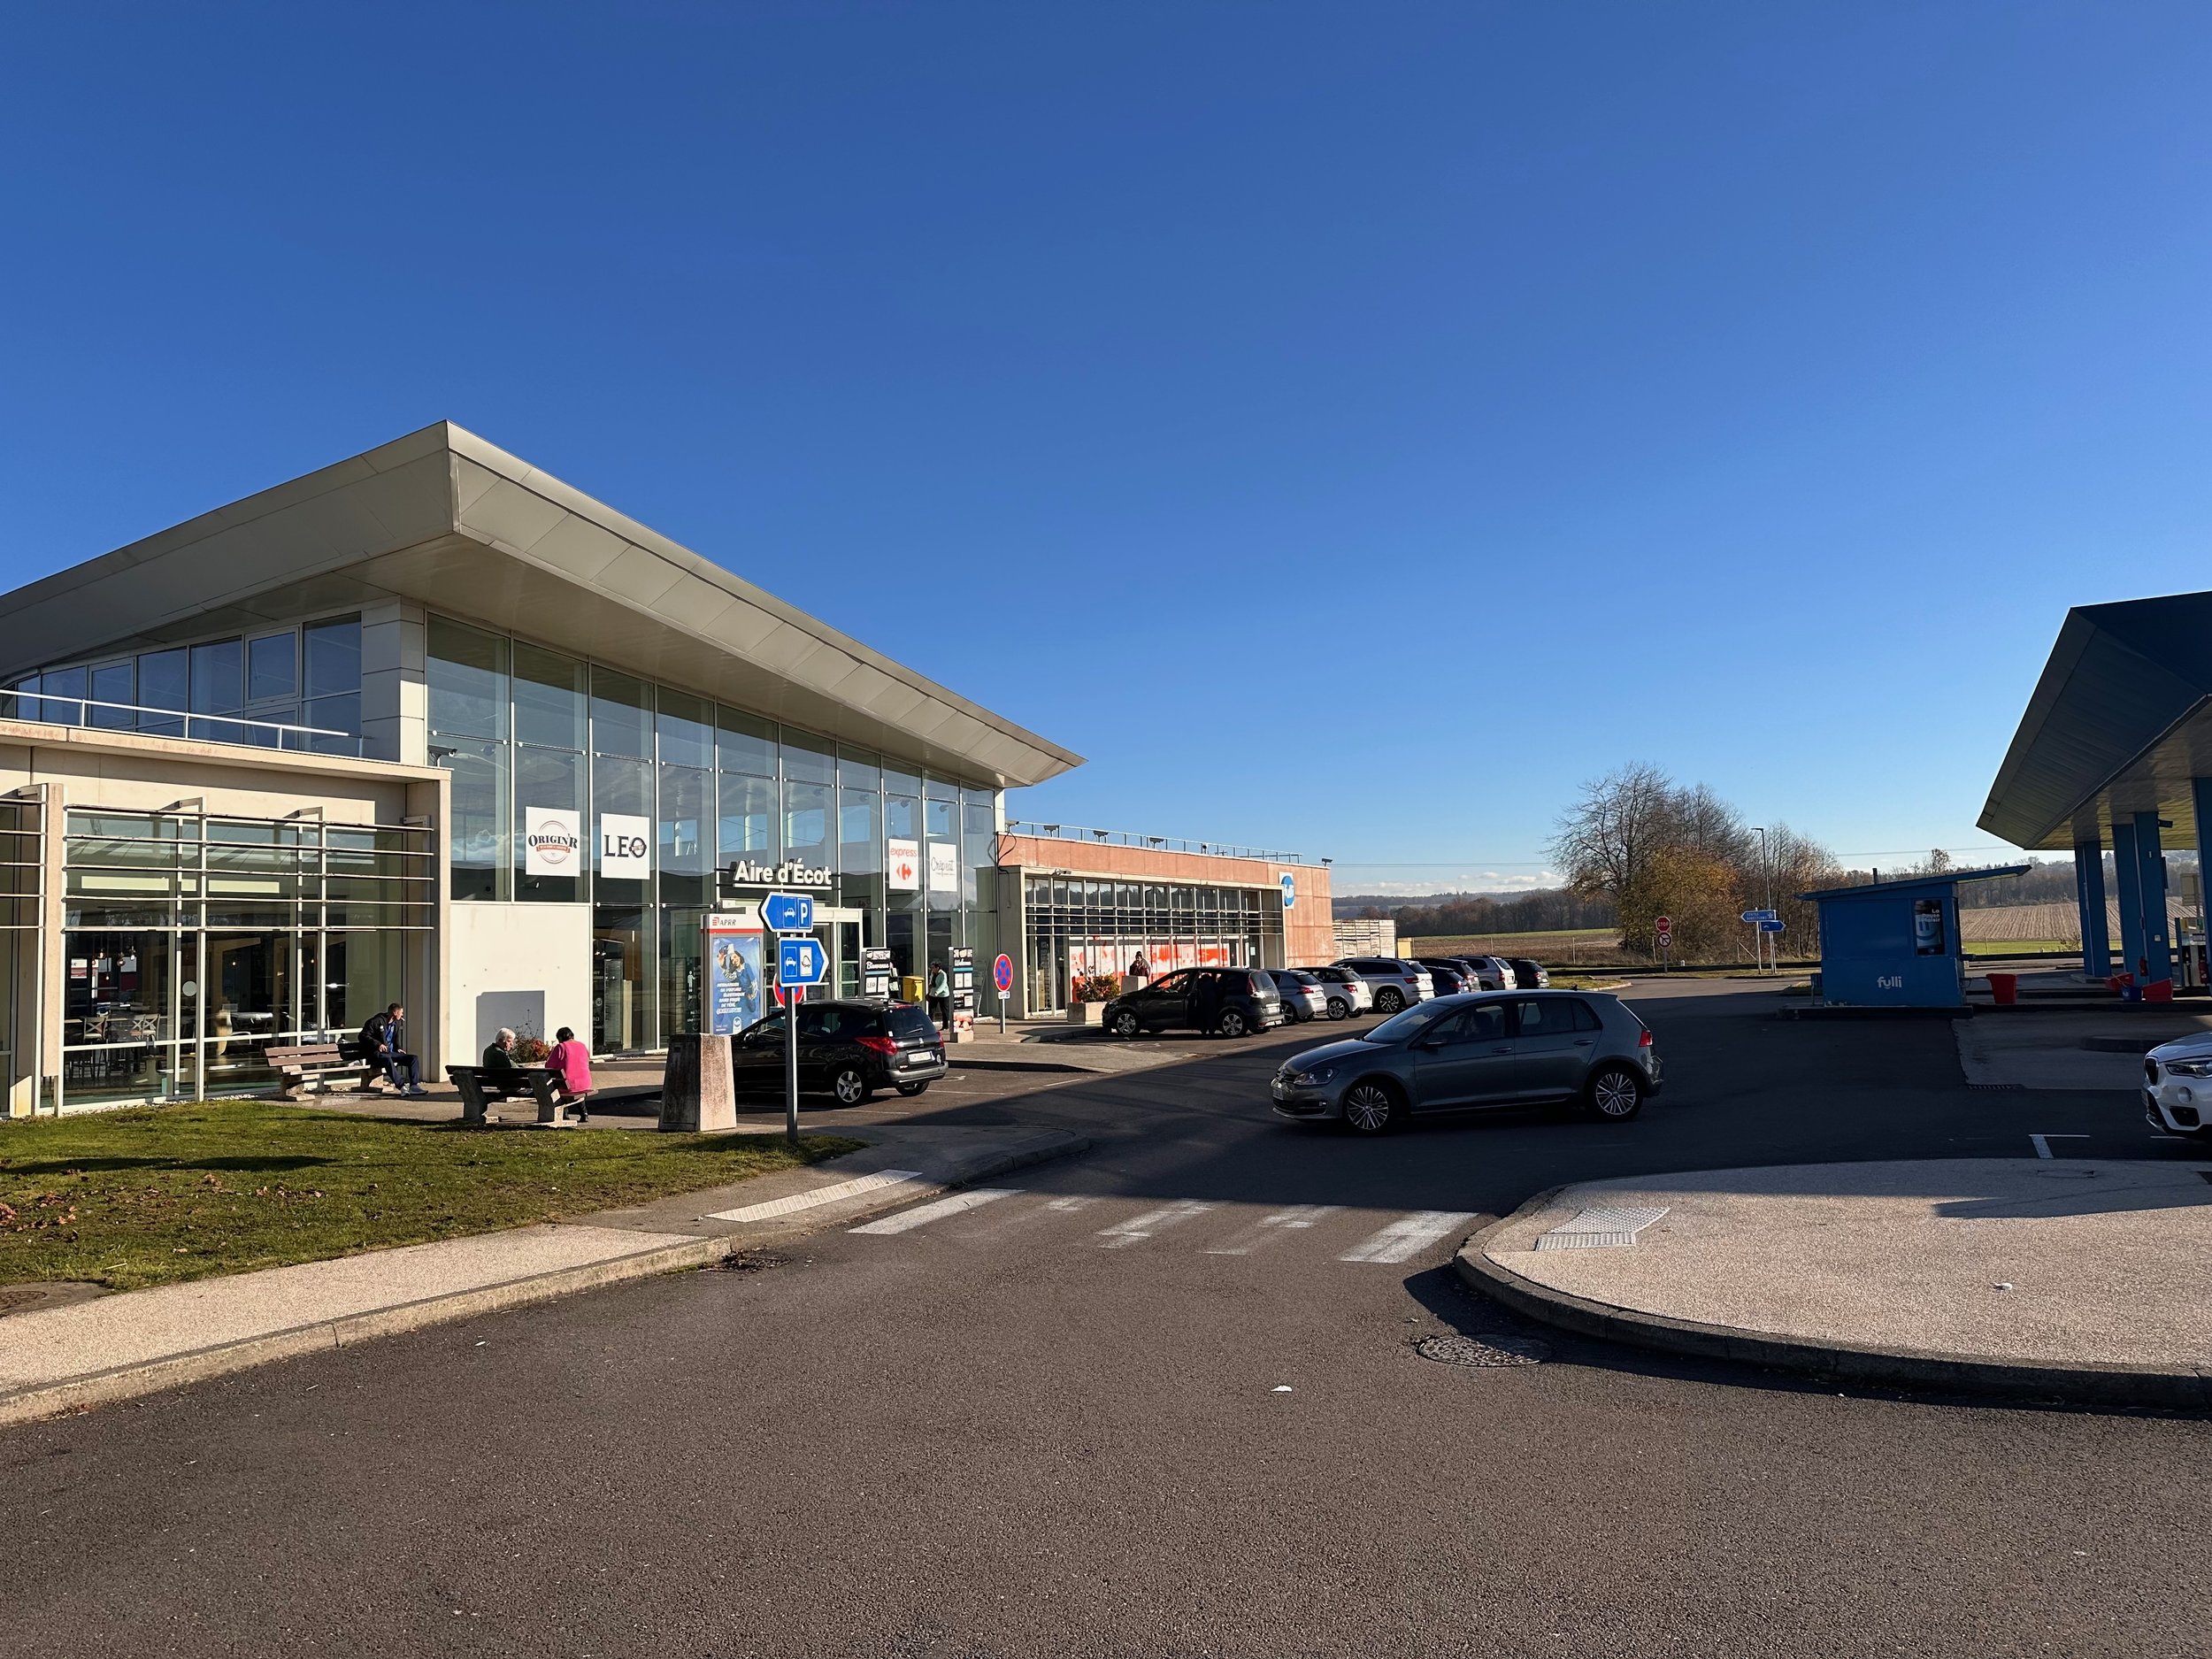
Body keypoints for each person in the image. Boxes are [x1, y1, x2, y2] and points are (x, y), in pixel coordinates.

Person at [360, 1002, 425, 1096]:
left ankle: (414, 1086)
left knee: (413, 1058)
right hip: (376, 1054)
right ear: (395, 1012)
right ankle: (401, 1086)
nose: (402, 1015)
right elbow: (362, 1036)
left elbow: (395, 1039)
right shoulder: (376, 1021)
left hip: (389, 1053)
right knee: (387, 1059)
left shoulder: (396, 1023)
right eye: (401, 1013)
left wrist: (398, 1048)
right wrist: (378, 1044)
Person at [545, 1025, 594, 1123]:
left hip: (567, 1085)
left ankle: (565, 1115)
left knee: (560, 1086)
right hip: (585, 1084)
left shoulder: (561, 1047)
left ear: (560, 1038)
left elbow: (549, 1066)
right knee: (574, 1087)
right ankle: (584, 1114)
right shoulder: (582, 1046)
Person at [480, 1027, 528, 1106]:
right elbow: (510, 1068)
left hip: (496, 1082)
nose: (511, 1044)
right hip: (505, 1084)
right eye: (509, 1041)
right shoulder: (500, 1054)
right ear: (500, 1041)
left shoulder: (488, 1050)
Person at [927, 959, 952, 1030]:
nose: (932, 969)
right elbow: (931, 981)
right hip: (933, 994)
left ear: (937, 968)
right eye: (931, 967)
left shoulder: (943, 974)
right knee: (931, 1010)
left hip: (943, 994)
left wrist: (937, 992)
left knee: (944, 1010)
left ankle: (945, 1026)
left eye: (933, 967)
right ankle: (929, 1026)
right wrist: (930, 990)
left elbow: (943, 985)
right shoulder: (932, 973)